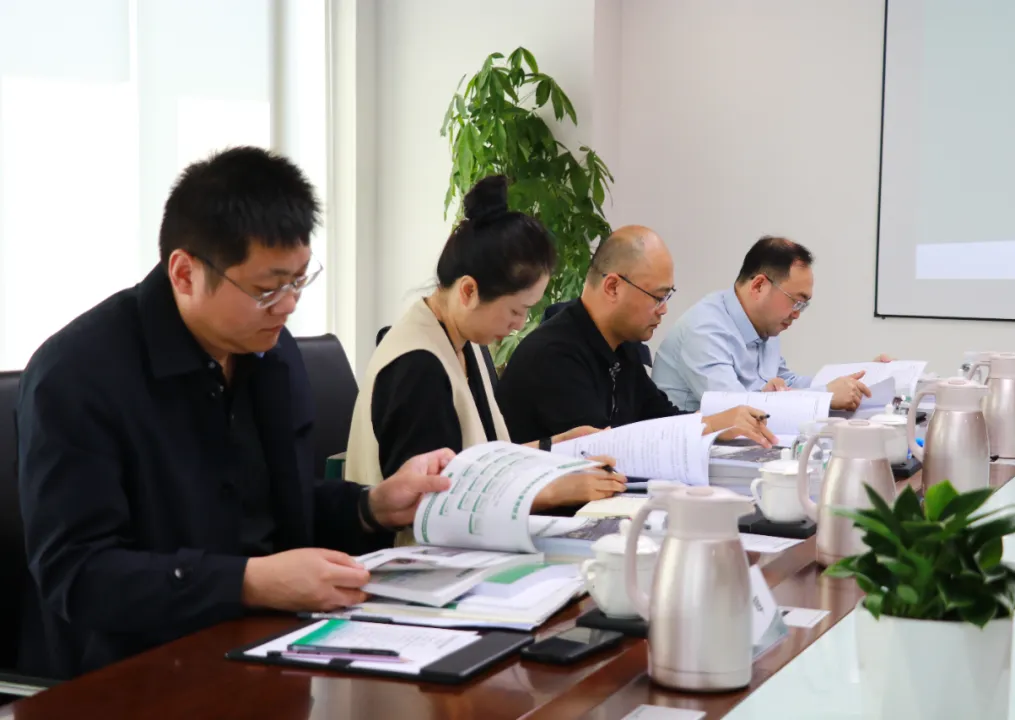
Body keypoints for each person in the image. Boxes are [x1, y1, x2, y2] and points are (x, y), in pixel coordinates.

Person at [16, 147, 454, 680]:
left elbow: (277, 510)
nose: (288, 305)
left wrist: (371, 507)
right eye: (267, 289)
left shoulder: (270, 354)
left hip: (272, 648)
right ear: (185, 273)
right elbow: (78, 574)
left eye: (298, 281)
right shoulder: (78, 376)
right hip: (133, 674)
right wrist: (249, 581)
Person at [346, 175, 626, 513]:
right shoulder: (417, 367)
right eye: (515, 310)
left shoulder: (463, 340)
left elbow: (474, 462)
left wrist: (555, 448)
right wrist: (549, 491)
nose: (519, 324)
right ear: (469, 291)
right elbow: (429, 505)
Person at [496, 226, 777, 446]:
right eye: (658, 297)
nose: (664, 309)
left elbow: (660, 417)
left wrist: (721, 423)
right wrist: (712, 425)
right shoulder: (554, 355)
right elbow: (605, 447)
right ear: (613, 287)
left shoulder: (622, 345)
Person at [651, 236, 889, 412]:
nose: (797, 314)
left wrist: (859, 379)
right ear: (758, 286)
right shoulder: (704, 329)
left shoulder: (765, 327)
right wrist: (825, 395)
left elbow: (789, 383)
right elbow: (735, 410)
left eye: (803, 305)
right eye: (796, 301)